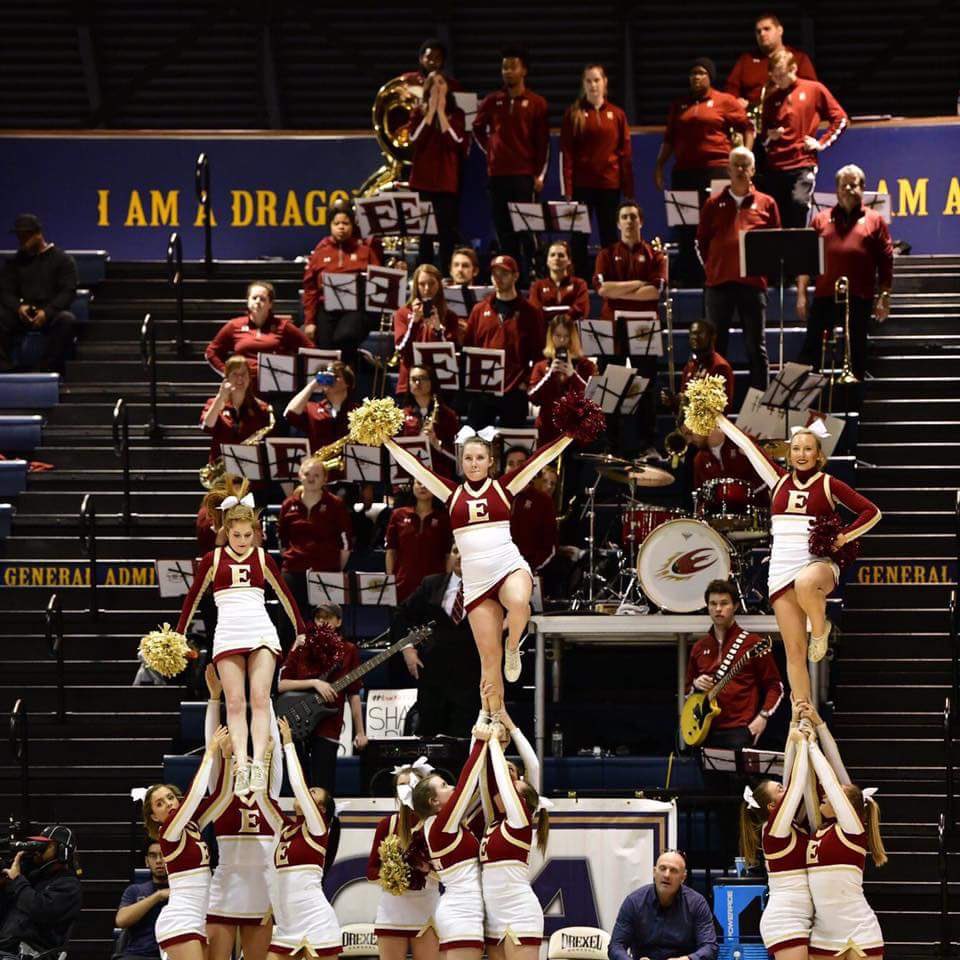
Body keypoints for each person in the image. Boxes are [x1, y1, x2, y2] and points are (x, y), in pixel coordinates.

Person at [384, 430, 573, 714]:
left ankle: (513, 647)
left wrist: (569, 435)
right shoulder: (451, 492)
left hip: (508, 565)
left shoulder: (503, 487)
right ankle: (492, 720)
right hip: (476, 583)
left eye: (480, 458)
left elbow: (538, 459)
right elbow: (416, 467)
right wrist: (387, 441)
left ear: (491, 462)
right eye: (468, 458)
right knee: (488, 664)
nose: (474, 463)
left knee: (520, 603)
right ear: (461, 463)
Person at [715, 417, 881, 703]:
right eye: (797, 449)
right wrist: (718, 417)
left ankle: (820, 629)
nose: (802, 454)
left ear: (819, 455)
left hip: (817, 565)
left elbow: (872, 512)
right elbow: (747, 444)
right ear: (789, 454)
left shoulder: (829, 484)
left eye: (808, 449)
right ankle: (802, 710)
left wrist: (843, 537)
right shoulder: (777, 480)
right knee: (794, 651)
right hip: (780, 569)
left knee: (805, 584)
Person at [176, 495, 307, 795]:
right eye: (237, 535)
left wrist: (300, 629)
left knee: (260, 699)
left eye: (249, 535)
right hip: (228, 632)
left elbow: (286, 595)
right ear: (226, 530)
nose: (243, 541)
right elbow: (192, 597)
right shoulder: (213, 559)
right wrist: (179, 633)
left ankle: (259, 763)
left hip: (260, 629)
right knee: (234, 703)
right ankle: (241, 765)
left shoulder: (263, 558)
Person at [201, 667, 279, 960]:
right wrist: (214, 699)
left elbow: (272, 747)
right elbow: (213, 742)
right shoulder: (220, 792)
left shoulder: (267, 789)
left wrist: (265, 696)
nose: (241, 751)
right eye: (235, 749)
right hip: (225, 886)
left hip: (261, 887)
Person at [655, 59, 753, 285]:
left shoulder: (724, 101)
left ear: (710, 77)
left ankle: (722, 271)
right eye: (692, 74)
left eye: (701, 73)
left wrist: (746, 156)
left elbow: (747, 126)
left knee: (718, 223)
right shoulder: (679, 105)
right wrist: (660, 165)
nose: (696, 77)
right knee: (686, 226)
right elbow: (669, 139)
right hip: (684, 173)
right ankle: (691, 275)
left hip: (716, 171)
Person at [802, 706, 887, 960]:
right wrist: (813, 725)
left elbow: (831, 780)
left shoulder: (852, 830)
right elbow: (819, 776)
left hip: (860, 931)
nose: (825, 795)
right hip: (823, 935)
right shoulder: (819, 827)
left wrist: (812, 746)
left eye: (833, 794)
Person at [797, 164, 894, 381]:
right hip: (824, 297)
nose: (849, 189)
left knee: (857, 353)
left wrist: (884, 297)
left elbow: (886, 262)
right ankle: (805, 407)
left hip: (859, 298)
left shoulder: (874, 220)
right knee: (810, 351)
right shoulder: (820, 219)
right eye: (844, 185)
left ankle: (855, 408)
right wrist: (802, 295)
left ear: (863, 188)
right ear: (836, 190)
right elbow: (805, 260)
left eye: (854, 185)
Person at [142, 726, 232, 960]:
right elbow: (193, 797)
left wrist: (228, 757)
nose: (169, 804)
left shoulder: (192, 825)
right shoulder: (168, 833)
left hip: (199, 918)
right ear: (154, 817)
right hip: (180, 920)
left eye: (170, 797)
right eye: (160, 804)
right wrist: (210, 752)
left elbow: (222, 796)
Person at [256, 718, 342, 960]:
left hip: (316, 920)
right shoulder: (284, 827)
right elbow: (262, 798)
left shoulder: (318, 828)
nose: (307, 792)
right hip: (286, 926)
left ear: (322, 809)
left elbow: (298, 784)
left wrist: (289, 744)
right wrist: (266, 758)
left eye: (314, 793)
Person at [697, 146, 780, 390]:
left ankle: (759, 411)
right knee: (715, 350)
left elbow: (776, 243)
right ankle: (713, 409)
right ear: (729, 169)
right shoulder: (713, 204)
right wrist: (714, 268)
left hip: (753, 286)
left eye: (746, 165)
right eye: (737, 165)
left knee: (756, 348)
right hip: (718, 286)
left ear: (753, 169)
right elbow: (701, 242)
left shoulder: (767, 203)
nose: (741, 170)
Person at [593, 200, 666, 455]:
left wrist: (619, 290)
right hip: (612, 328)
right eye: (624, 217)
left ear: (641, 221)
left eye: (633, 217)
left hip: (644, 328)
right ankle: (609, 445)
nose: (629, 221)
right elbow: (603, 290)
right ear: (617, 222)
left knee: (645, 386)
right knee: (609, 387)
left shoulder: (656, 255)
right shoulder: (606, 254)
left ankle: (647, 445)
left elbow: (654, 293)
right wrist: (637, 283)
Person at [738, 719, 815, 960]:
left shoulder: (788, 824)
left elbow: (791, 778)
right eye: (779, 790)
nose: (786, 790)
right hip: (785, 919)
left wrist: (793, 721)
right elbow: (796, 784)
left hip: (801, 916)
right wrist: (801, 743)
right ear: (772, 806)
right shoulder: (773, 830)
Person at [411, 732, 492, 959]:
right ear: (433, 802)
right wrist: (480, 740)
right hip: (461, 912)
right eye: (444, 786)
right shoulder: (440, 825)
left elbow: (478, 790)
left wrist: (490, 738)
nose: (452, 787)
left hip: (463, 910)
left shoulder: (442, 824)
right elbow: (467, 781)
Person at [474, 45, 549, 282]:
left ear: (524, 70)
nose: (507, 71)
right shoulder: (492, 100)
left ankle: (535, 276)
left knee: (527, 229)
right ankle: (511, 279)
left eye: (512, 66)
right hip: (497, 177)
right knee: (505, 232)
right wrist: (491, 151)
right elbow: (477, 128)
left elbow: (543, 143)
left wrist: (539, 176)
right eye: (504, 67)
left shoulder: (537, 103)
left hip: (524, 177)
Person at [277, 603, 367, 792]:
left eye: (328, 617)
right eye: (319, 618)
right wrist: (314, 683)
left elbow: (353, 694)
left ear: (339, 621)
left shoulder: (349, 650)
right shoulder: (301, 645)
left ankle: (324, 821)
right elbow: (281, 684)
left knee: (323, 787)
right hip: (296, 720)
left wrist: (360, 731)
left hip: (329, 724)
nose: (323, 622)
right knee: (298, 784)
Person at [394, 544, 481, 738]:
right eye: (455, 551)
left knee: (465, 744)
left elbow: (521, 610)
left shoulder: (488, 589)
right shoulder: (431, 584)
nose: (459, 556)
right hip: (433, 678)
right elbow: (401, 615)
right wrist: (407, 648)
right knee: (428, 743)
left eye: (465, 551)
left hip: (471, 681)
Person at [685, 579, 783, 748]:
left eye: (724, 603)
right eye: (713, 603)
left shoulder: (752, 643)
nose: (718, 609)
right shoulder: (699, 648)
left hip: (739, 730)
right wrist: (695, 684)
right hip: (703, 731)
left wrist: (763, 716)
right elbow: (685, 691)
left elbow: (775, 686)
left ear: (736, 606)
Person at [480, 723, 550, 960]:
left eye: (511, 785)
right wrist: (500, 730)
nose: (503, 788)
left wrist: (494, 742)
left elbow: (532, 767)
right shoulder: (492, 820)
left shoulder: (520, 823)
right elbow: (485, 775)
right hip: (493, 917)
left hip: (520, 914)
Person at [559, 64, 634, 280]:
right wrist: (568, 189)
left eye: (597, 80)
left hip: (610, 185)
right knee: (579, 236)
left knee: (609, 235)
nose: (593, 85)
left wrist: (628, 189)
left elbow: (625, 153)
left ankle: (610, 277)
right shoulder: (573, 113)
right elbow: (567, 153)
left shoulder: (617, 114)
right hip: (582, 186)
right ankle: (579, 279)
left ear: (605, 83)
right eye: (589, 81)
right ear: (583, 84)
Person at [759, 51, 848, 229]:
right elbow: (763, 137)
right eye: (774, 76)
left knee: (799, 204)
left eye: (781, 75)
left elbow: (841, 118)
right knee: (777, 216)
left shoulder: (814, 89)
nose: (777, 80)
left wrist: (820, 143)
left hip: (802, 163)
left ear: (794, 68)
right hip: (776, 167)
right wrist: (770, 136)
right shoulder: (771, 99)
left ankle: (799, 249)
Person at [367, 761, 440, 960]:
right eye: (401, 785)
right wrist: (391, 874)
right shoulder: (387, 824)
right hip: (392, 910)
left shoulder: (437, 825)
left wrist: (427, 869)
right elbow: (371, 870)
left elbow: (450, 872)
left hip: (427, 908)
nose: (405, 789)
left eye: (411, 784)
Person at [462, 254, 544, 429]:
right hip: (483, 390)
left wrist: (527, 382)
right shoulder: (479, 310)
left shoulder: (530, 313)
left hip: (514, 391)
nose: (498, 278)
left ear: (515, 275)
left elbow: (539, 353)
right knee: (476, 443)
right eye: (495, 274)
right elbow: (468, 348)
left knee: (513, 447)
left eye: (504, 273)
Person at [277, 455, 352, 646]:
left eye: (317, 475)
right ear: (299, 475)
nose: (311, 478)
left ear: (325, 479)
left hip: (326, 571)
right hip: (294, 570)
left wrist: (333, 568)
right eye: (307, 474)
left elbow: (346, 544)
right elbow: (282, 540)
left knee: (327, 624)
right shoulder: (288, 504)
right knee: (289, 621)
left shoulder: (335, 504)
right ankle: (288, 665)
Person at [302, 204, 382, 361]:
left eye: (345, 223)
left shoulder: (365, 251)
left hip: (355, 310)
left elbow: (378, 282)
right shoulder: (320, 252)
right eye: (336, 224)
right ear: (330, 226)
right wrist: (309, 322)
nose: (341, 228)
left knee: (345, 337)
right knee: (325, 347)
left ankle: (350, 379)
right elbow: (310, 289)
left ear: (353, 226)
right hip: (326, 309)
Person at [0, 213, 77, 374]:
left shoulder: (62, 260)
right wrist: (19, 307)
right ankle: (5, 368)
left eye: (27, 236)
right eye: (20, 237)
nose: (23, 241)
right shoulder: (15, 262)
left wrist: (47, 313)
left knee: (66, 320)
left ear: (38, 234)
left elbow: (67, 292)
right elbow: (5, 291)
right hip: (22, 312)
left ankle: (47, 368)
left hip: (50, 312)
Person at [608, 851, 718, 960]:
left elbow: (710, 947)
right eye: (662, 868)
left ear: (683, 877)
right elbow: (615, 946)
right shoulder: (634, 902)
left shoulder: (696, 903)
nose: (666, 875)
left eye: (674, 870)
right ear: (654, 872)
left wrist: (687, 959)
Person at [409, 73, 469, 271]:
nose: (436, 87)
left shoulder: (457, 114)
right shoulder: (418, 113)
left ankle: (444, 273)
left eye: (441, 83)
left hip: (446, 183)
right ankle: (423, 274)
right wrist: (430, 112)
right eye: (432, 84)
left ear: (448, 88)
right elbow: (415, 141)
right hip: (422, 183)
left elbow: (457, 142)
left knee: (446, 233)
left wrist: (442, 113)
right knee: (424, 234)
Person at [0, 825, 83, 958]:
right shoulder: (32, 876)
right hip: (7, 948)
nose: (37, 850)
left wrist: (17, 879)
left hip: (31, 953)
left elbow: (40, 909)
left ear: (61, 850)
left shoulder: (69, 885)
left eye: (45, 845)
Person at [205, 281, 312, 378]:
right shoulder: (234, 325)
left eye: (263, 299)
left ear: (270, 304)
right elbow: (211, 352)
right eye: (254, 298)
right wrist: (226, 373)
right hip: (243, 385)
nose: (257, 301)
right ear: (248, 301)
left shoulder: (284, 326)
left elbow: (310, 349)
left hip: (275, 385)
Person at [725, 13, 817, 109]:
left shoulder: (798, 58)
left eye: (767, 29)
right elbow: (730, 89)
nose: (762, 34)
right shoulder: (746, 60)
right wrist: (736, 102)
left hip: (788, 113)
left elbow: (811, 91)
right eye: (758, 31)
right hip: (752, 115)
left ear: (780, 30)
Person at [394, 265, 461, 396]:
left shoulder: (450, 316)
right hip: (410, 382)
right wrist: (414, 322)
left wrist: (438, 329)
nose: (427, 289)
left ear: (439, 285)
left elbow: (451, 354)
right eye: (422, 284)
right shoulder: (402, 313)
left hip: (439, 382)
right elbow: (401, 350)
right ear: (415, 286)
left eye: (431, 284)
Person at [529, 316, 596, 444]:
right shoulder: (541, 366)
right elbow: (533, 398)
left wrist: (573, 375)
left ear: (573, 338)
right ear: (551, 337)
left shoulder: (586, 366)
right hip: (548, 430)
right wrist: (549, 375)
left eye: (566, 336)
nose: (562, 340)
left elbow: (592, 399)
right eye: (558, 335)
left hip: (577, 432)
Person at [386, 479, 453, 604]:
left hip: (434, 586)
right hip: (403, 584)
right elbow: (391, 551)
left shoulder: (444, 518)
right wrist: (390, 581)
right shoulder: (398, 515)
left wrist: (446, 583)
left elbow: (448, 555)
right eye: (418, 482)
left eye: (427, 482)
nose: (423, 486)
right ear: (412, 486)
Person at [201, 354, 273, 464]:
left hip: (251, 469)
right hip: (221, 470)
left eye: (244, 374)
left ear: (249, 378)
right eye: (235, 374)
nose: (240, 378)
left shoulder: (262, 408)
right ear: (227, 378)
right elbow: (207, 425)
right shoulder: (214, 403)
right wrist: (220, 397)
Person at [284, 360, 359, 458]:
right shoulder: (312, 408)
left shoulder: (358, 411)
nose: (331, 379)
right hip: (318, 466)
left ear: (347, 383)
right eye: (328, 376)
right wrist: (313, 384)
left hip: (348, 466)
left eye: (336, 376)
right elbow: (289, 414)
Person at [397, 364, 459, 477]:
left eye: (423, 378)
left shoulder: (448, 415)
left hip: (439, 475)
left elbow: (458, 456)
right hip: (410, 475)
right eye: (414, 379)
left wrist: (437, 444)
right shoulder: (401, 416)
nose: (417, 383)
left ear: (432, 382)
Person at [115, 840, 168, 959]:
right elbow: (121, 920)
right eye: (153, 856)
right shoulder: (134, 890)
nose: (159, 861)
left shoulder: (183, 891)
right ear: (146, 861)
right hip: (137, 955)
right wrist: (157, 896)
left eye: (163, 855)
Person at [527, 241, 590, 322]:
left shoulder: (579, 284)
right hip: (545, 332)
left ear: (569, 260)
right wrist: (567, 309)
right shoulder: (537, 286)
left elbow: (581, 310)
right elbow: (534, 312)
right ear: (547, 261)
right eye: (552, 255)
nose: (556, 258)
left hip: (571, 331)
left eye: (561, 255)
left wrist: (548, 311)